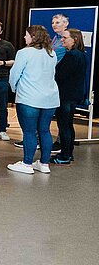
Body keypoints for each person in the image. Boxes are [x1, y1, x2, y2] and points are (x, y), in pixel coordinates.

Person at [7, 25, 60, 175]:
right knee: (45, 130)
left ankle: (27, 164)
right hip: (50, 99)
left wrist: (14, 89)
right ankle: (44, 163)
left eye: (26, 35)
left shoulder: (24, 52)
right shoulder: (52, 53)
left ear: (33, 37)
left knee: (29, 132)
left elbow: (14, 74)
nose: (25, 37)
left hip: (29, 98)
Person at [51, 29, 88, 165]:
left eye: (65, 38)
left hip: (66, 95)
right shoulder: (81, 54)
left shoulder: (72, 55)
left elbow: (61, 75)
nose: (62, 40)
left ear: (75, 39)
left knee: (64, 126)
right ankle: (68, 153)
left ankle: (65, 156)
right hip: (73, 95)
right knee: (68, 125)